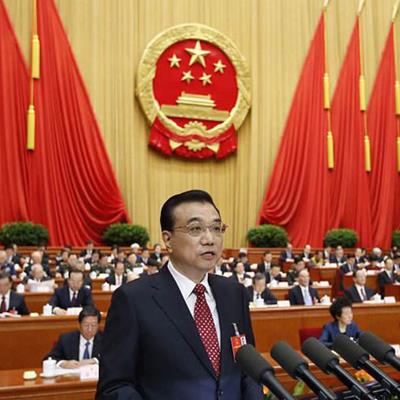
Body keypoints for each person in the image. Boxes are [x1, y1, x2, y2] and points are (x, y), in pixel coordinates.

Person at [96, 189, 263, 399]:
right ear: (168, 239)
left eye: (216, 228)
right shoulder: (134, 299)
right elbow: (114, 387)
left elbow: (248, 368)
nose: (210, 239)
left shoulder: (234, 293)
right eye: (196, 229)